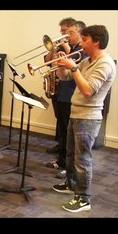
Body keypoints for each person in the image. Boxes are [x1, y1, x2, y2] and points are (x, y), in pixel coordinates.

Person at [53, 25, 116, 213]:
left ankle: (83, 198)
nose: (81, 42)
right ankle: (71, 185)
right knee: (71, 155)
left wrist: (73, 68)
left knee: (83, 160)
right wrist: (61, 65)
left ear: (96, 41)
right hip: (76, 113)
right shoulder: (88, 61)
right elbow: (65, 77)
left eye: (85, 39)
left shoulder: (104, 63)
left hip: (88, 117)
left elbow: (88, 90)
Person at [45, 21, 87, 179]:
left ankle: (69, 167)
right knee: (64, 132)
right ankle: (62, 161)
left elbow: (76, 72)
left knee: (71, 138)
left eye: (71, 33)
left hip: (72, 96)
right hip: (63, 94)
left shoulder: (81, 51)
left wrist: (66, 55)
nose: (67, 35)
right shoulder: (75, 49)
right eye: (66, 32)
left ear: (80, 34)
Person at [45, 17, 76, 154]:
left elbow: (72, 59)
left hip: (68, 89)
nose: (62, 33)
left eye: (64, 31)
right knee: (59, 118)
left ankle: (64, 150)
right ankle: (60, 144)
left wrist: (64, 44)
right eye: (62, 30)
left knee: (66, 122)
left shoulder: (75, 47)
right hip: (56, 85)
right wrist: (53, 49)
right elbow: (47, 61)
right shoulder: (59, 45)